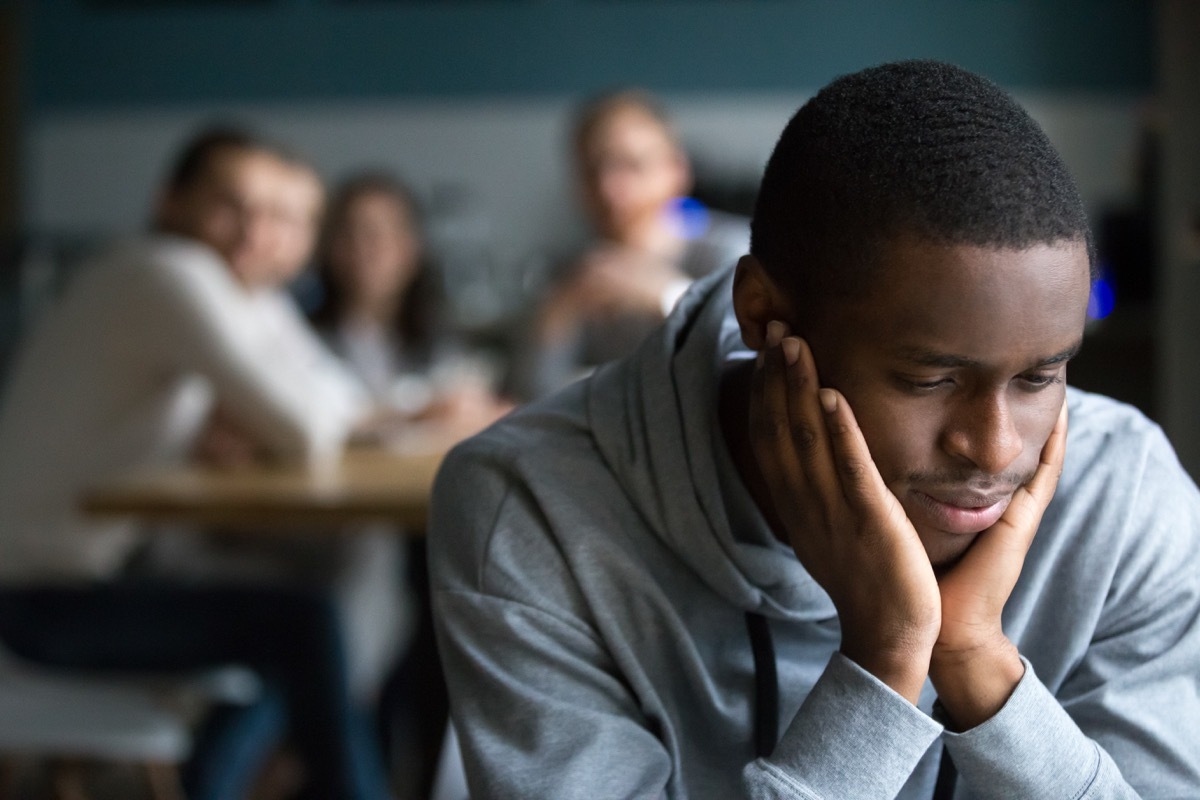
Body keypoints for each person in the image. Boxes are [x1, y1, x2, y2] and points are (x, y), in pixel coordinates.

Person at [429, 61, 1200, 798]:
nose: (996, 450)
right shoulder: (531, 509)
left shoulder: (1123, 495)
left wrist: (979, 667)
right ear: (765, 319)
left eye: (1039, 378)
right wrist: (885, 660)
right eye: (930, 379)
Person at [0, 127, 393, 800]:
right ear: (170, 202)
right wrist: (268, 425)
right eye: (228, 205)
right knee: (305, 621)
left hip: (81, 581)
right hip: (39, 604)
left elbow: (336, 407)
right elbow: (304, 426)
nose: (254, 230)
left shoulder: (197, 283)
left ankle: (213, 782)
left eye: (274, 214)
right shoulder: (165, 273)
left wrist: (258, 425)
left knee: (297, 622)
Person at [521, 89, 749, 398]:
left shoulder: (731, 252)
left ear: (676, 171)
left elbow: (747, 364)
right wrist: (557, 316)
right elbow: (530, 396)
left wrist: (667, 296)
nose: (609, 188)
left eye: (631, 165)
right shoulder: (569, 273)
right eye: (592, 170)